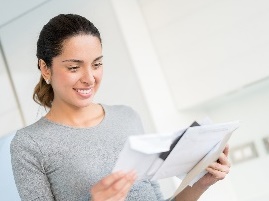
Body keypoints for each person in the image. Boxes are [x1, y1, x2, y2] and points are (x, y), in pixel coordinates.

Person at [10, 14, 231, 201]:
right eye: (74, 67)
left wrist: (201, 182)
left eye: (97, 64)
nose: (90, 78)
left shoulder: (127, 117)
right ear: (45, 68)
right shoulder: (30, 145)